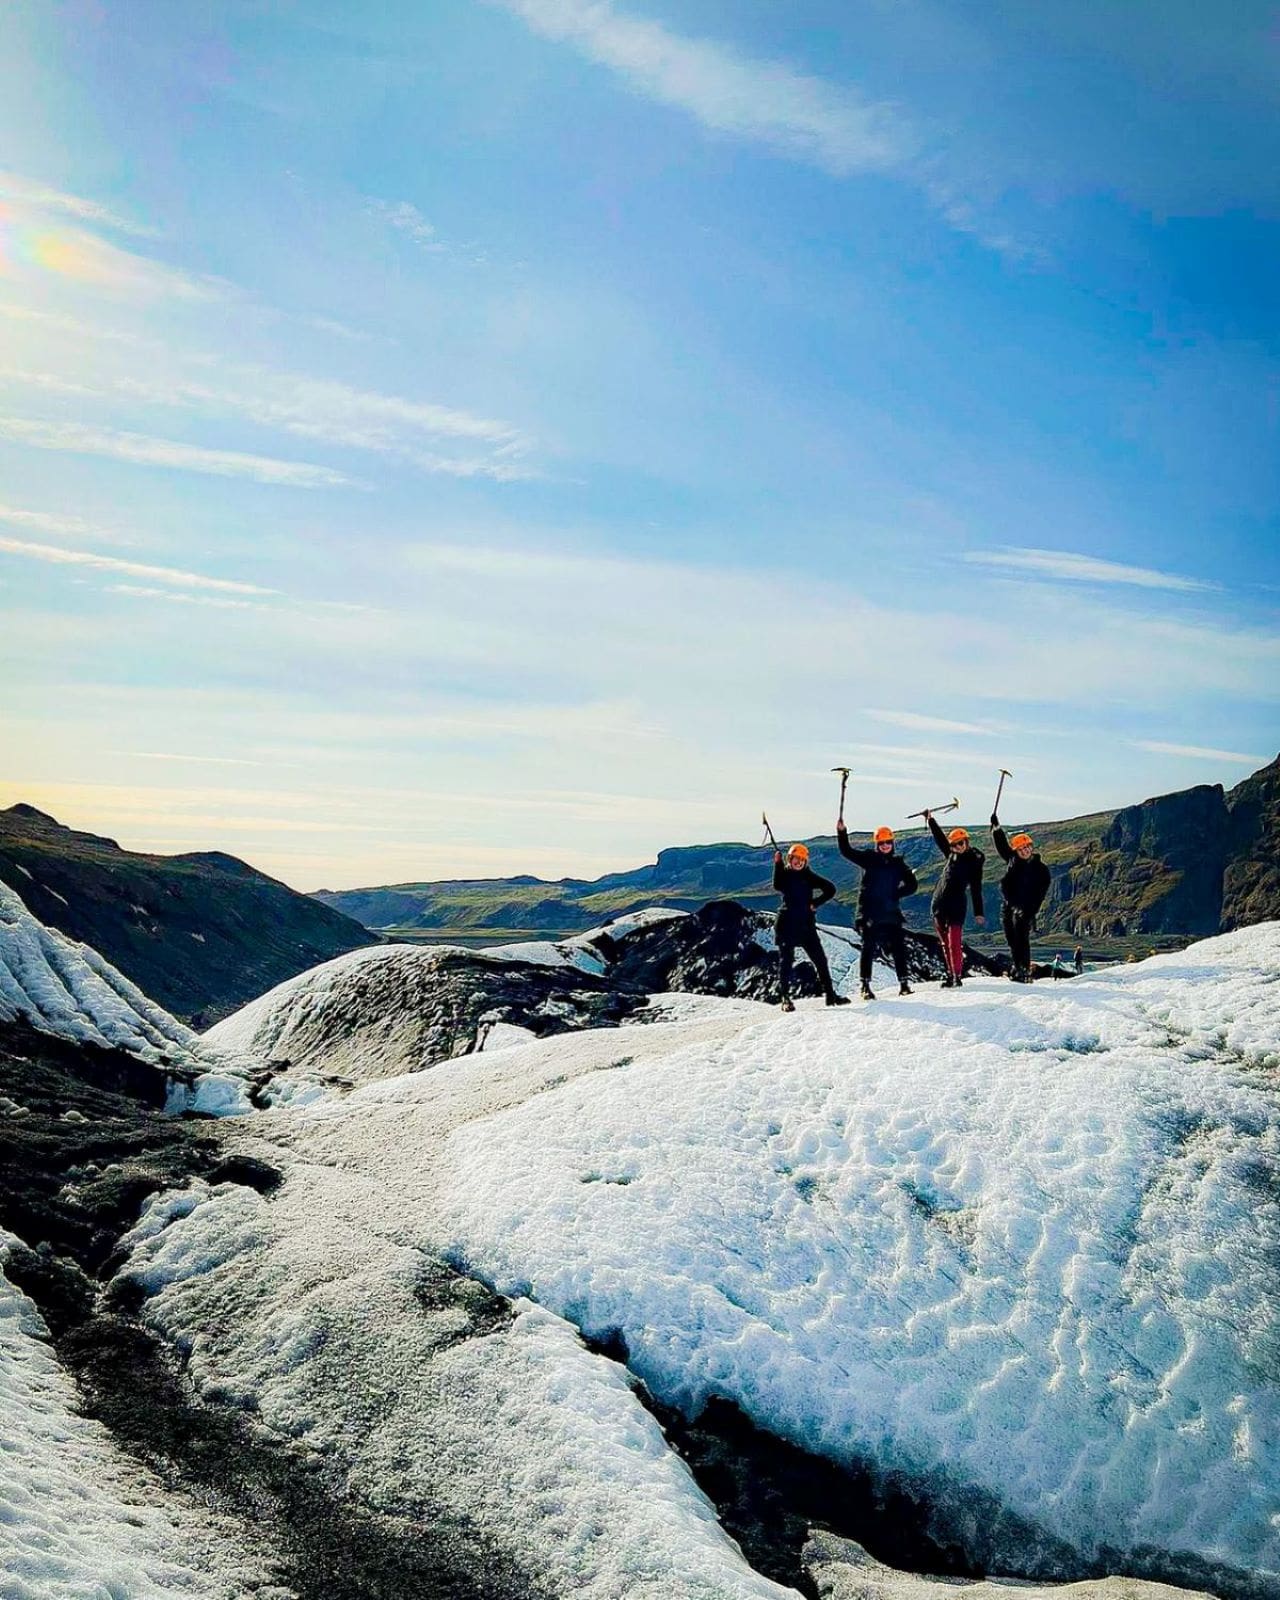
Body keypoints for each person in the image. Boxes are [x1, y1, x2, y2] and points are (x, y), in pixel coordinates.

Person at [836, 817, 918, 1001]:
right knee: (868, 948)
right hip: (870, 913)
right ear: (877, 844)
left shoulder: (898, 864)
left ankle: (904, 985)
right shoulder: (869, 859)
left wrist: (897, 894)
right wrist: (842, 832)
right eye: (882, 843)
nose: (885, 845)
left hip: (890, 913)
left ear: (892, 843)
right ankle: (865, 986)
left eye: (888, 842)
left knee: (898, 948)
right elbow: (847, 851)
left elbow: (913, 885)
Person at [772, 843, 848, 1011]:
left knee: (820, 960)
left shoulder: (808, 875)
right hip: (786, 924)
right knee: (786, 961)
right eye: (795, 858)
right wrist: (777, 864)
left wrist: (816, 903)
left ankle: (830, 996)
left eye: (801, 859)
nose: (798, 862)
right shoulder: (785, 874)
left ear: (805, 861)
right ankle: (785, 998)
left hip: (805, 924)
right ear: (789, 859)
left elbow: (830, 889)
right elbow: (778, 885)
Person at [925, 812, 984, 987]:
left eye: (960, 843)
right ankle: (951, 975)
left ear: (967, 842)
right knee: (945, 944)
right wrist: (931, 820)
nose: (957, 847)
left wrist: (979, 912)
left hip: (957, 906)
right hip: (939, 904)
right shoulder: (951, 854)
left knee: (954, 943)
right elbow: (940, 839)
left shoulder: (974, 863)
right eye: (954, 844)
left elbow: (976, 888)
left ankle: (957, 976)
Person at [990, 814, 1052, 984]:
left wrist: (1029, 911)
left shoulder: (1041, 870)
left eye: (1027, 847)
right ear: (1016, 851)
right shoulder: (1013, 860)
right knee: (1011, 938)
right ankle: (1018, 968)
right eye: (1021, 849)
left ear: (1031, 847)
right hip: (1009, 905)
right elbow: (1002, 845)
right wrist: (996, 828)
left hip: (1026, 908)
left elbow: (1040, 894)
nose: (1024, 851)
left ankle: (1024, 970)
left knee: (1022, 938)